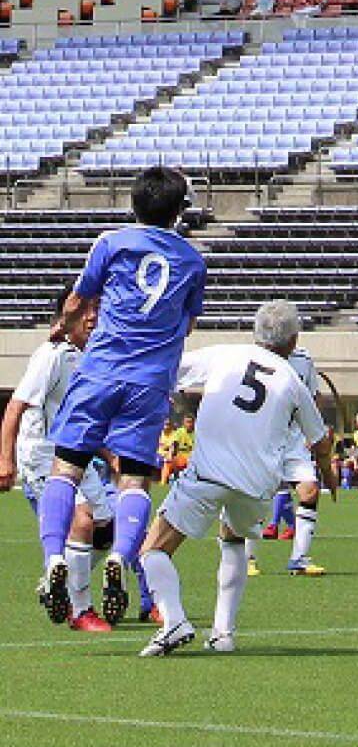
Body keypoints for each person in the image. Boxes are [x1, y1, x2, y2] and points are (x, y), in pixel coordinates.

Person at [34, 166, 206, 628]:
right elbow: (187, 324)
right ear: (179, 211)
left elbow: (77, 301)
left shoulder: (111, 242)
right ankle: (121, 559)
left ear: (133, 204)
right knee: (134, 481)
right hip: (150, 382)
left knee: (65, 468)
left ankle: (54, 560)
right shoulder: (193, 260)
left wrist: (66, 327)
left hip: (100, 369)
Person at [137, 301, 335, 656]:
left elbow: (170, 370)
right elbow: (320, 439)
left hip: (208, 473)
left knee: (152, 550)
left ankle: (175, 621)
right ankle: (223, 634)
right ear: (293, 341)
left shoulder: (225, 355)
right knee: (233, 541)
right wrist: (330, 472)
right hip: (257, 483)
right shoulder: (293, 380)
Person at [0, 291, 143, 631]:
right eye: (86, 311)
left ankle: (56, 580)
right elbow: (14, 407)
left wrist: (111, 455)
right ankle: (80, 610)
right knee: (82, 519)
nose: (93, 317)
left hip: (75, 452)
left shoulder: (91, 358)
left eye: (98, 310)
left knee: (107, 528)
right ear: (67, 318)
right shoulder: (51, 356)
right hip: (43, 455)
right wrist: (5, 460)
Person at [254, 345, 330, 576]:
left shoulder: (304, 360)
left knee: (310, 492)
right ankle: (247, 558)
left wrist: (313, 431)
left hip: (295, 441)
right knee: (255, 497)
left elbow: (314, 397)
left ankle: (299, 559)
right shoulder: (256, 355)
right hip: (264, 439)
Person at [159, 414, 195, 484]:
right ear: (184, 423)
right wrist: (170, 455)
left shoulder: (196, 433)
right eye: (187, 422)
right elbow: (173, 444)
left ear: (194, 423)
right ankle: (163, 483)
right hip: (180, 458)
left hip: (192, 459)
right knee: (168, 462)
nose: (189, 424)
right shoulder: (179, 432)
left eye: (191, 422)